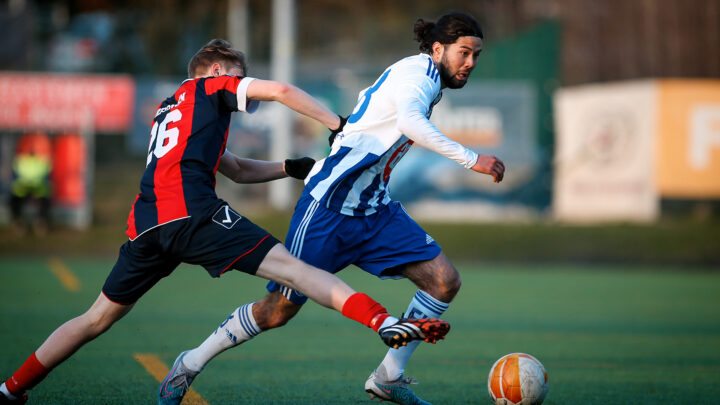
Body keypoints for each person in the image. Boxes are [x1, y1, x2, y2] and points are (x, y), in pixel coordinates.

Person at [0, 39, 451, 404]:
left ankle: (12, 387)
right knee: (299, 272)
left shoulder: (169, 108)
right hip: (194, 216)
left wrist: (287, 168)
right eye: (237, 71)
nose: (242, 81)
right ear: (216, 72)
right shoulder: (211, 89)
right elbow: (280, 91)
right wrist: (339, 124)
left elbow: (234, 168)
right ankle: (380, 322)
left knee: (95, 318)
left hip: (147, 226)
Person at [160, 12, 504, 405]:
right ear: (438, 48)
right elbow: (409, 121)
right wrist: (471, 158)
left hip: (374, 209)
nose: (470, 63)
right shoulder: (419, 74)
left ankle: (389, 377)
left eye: (476, 55)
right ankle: (190, 362)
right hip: (329, 207)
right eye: (464, 53)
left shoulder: (427, 79)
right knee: (277, 311)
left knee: (444, 281)